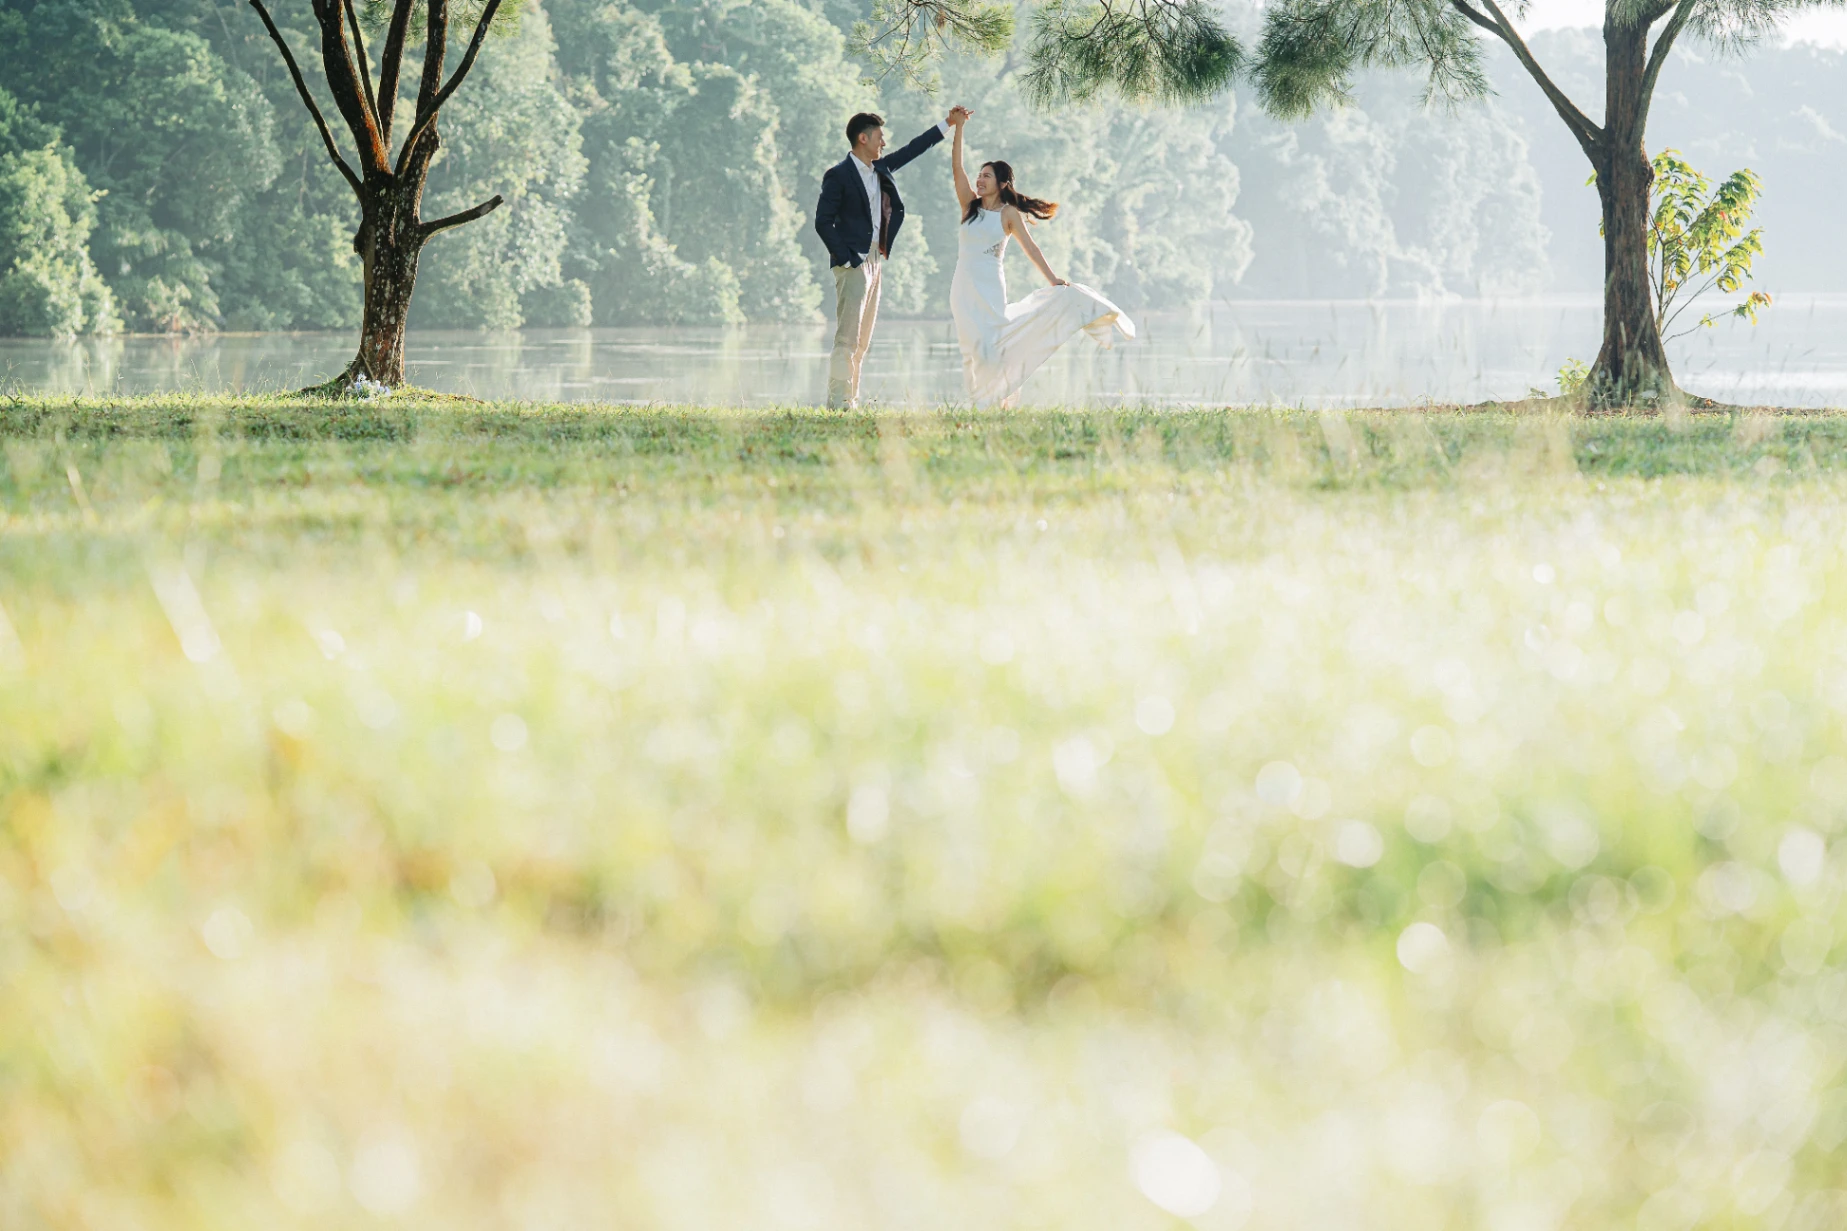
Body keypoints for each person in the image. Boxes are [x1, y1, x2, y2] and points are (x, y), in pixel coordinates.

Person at [947, 110, 1134, 408]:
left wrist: (1053, 280)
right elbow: (956, 167)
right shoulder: (969, 206)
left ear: (1002, 183)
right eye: (979, 175)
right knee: (971, 347)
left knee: (991, 348)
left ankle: (998, 398)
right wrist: (958, 128)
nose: (980, 180)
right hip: (963, 289)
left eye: (986, 176)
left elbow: (1031, 248)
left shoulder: (1008, 214)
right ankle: (982, 401)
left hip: (990, 288)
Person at [814, 106, 971, 409]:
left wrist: (949, 124)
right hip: (854, 261)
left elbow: (914, 149)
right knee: (847, 337)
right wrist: (847, 258)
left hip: (875, 260)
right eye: (879, 138)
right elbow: (823, 221)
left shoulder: (880, 169)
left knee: (862, 340)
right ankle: (836, 400)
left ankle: (852, 399)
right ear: (863, 138)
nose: (883, 143)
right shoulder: (839, 175)